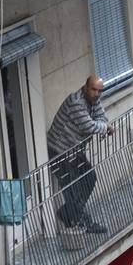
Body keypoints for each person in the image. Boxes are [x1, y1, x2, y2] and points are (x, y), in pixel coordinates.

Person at [46, 74, 110, 233]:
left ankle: (67, 213)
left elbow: (102, 117)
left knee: (90, 178)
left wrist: (102, 125)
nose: (97, 94)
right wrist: (105, 128)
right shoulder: (76, 103)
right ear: (86, 87)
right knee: (72, 190)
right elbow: (88, 126)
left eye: (100, 91)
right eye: (94, 89)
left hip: (74, 149)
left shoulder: (94, 101)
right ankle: (84, 223)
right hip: (59, 152)